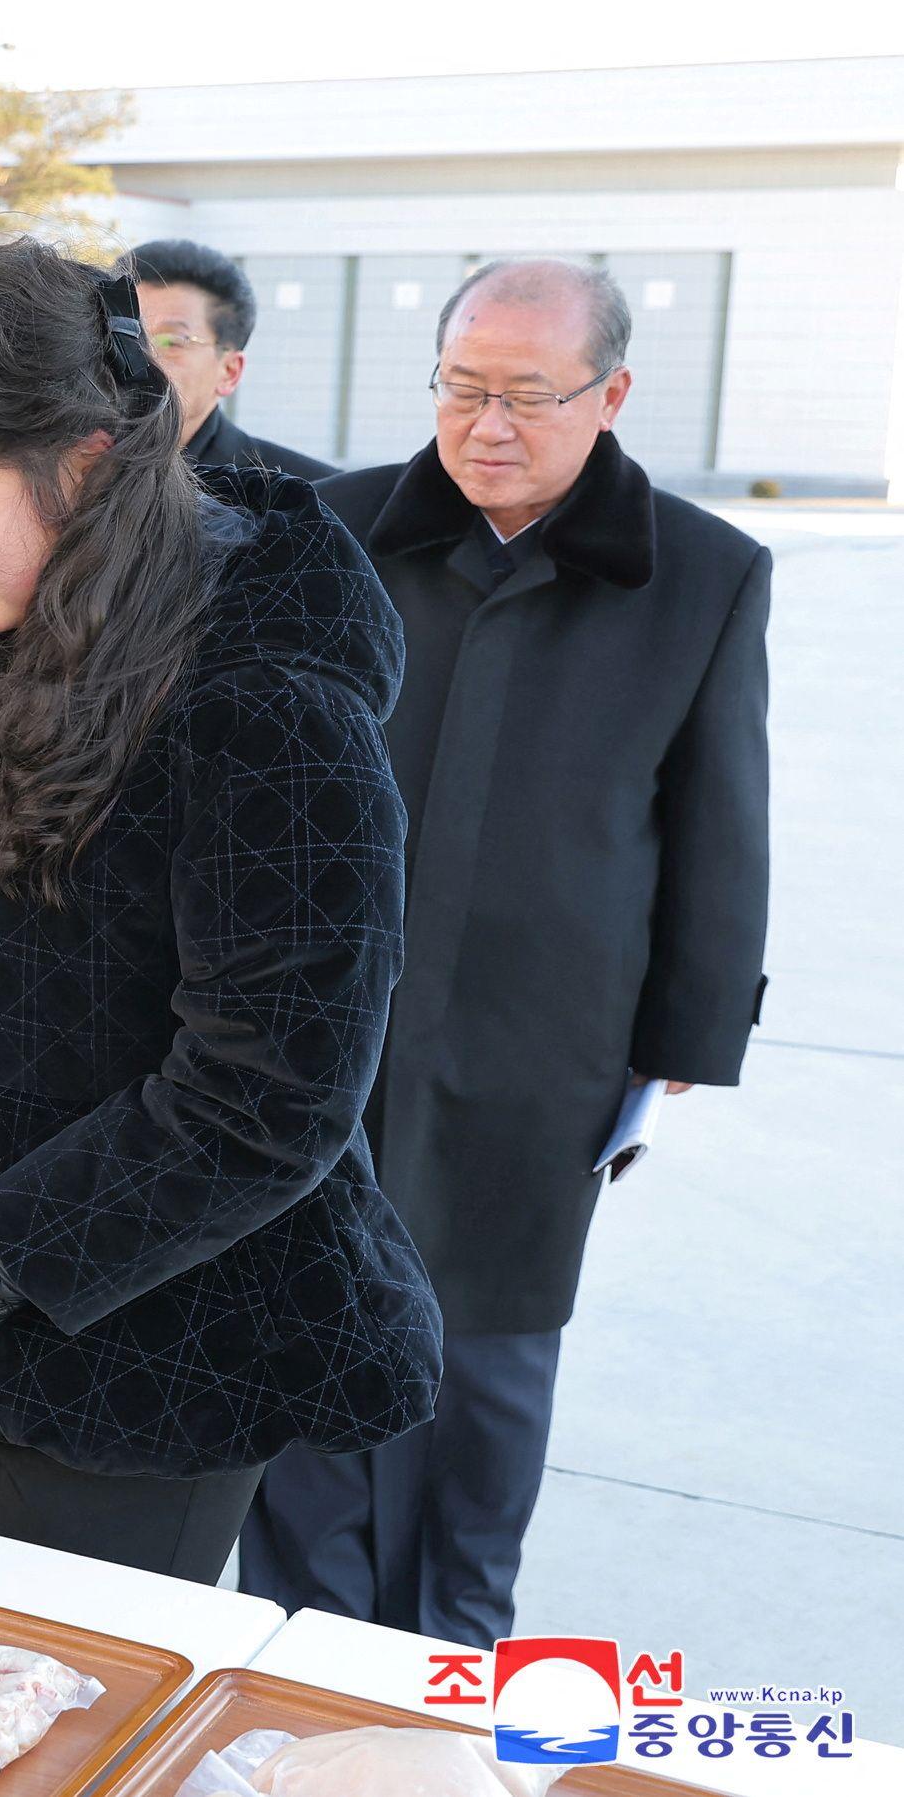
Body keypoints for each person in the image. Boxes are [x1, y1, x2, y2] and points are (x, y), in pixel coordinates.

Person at [0, 239, 442, 1581]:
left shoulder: (262, 698)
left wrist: (13, 1252)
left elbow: (274, 1084)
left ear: (78, 460)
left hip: (157, 1362)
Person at [243, 260, 772, 1644]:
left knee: (483, 1379)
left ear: (609, 395)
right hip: (319, 1031)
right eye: (461, 388)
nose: (485, 424)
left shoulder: (701, 573)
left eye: (525, 395)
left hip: (541, 1048)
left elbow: (719, 825)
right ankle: (314, 1662)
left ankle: (460, 1667)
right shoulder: (331, 526)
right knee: (304, 1353)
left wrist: (682, 1046)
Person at [121, 239, 332, 481]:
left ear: (229, 372)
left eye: (171, 341)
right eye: (128, 334)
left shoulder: (301, 494)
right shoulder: (75, 471)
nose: (140, 354)